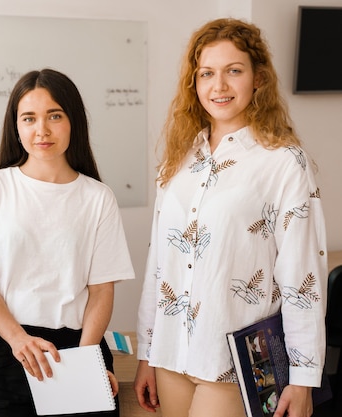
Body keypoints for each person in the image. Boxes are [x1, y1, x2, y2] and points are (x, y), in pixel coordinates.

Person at [133, 18, 327, 417]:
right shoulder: (179, 161)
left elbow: (302, 276)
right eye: (207, 74)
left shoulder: (285, 163)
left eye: (233, 71)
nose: (218, 86)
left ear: (258, 79)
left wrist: (305, 377)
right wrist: (147, 352)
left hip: (235, 364)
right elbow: (160, 265)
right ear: (194, 83)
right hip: (171, 356)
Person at [0, 68, 135, 417]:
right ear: (16, 127)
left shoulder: (98, 197)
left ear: (73, 121)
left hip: (78, 345)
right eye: (29, 118)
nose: (42, 130)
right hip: (5, 346)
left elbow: (102, 292)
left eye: (54, 116)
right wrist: (19, 339)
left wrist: (84, 362)